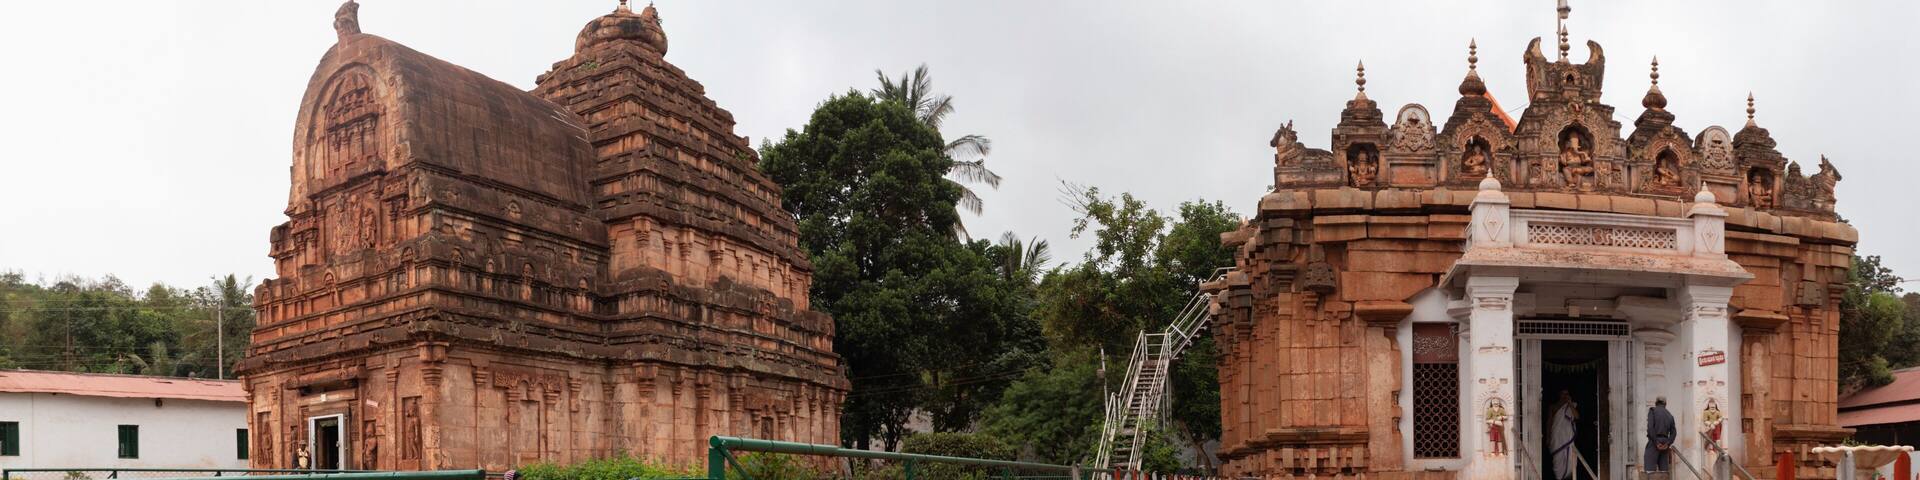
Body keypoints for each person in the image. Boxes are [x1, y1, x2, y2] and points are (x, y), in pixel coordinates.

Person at [1549, 389, 1579, 480]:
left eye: (1567, 394)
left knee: (1571, 459)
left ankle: (1570, 477)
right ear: (1559, 395)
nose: (1565, 396)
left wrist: (1569, 403)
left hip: (1567, 436)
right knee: (1557, 461)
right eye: (1563, 394)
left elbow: (1577, 416)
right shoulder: (1553, 407)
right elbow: (1549, 422)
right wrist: (1547, 437)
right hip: (1556, 437)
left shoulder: (1570, 406)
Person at [1645, 397, 1677, 480]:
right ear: (1665, 404)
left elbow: (1650, 428)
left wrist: (1656, 442)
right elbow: (1674, 432)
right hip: (1665, 444)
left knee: (1649, 471)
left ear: (1656, 403)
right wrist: (1667, 443)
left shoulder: (1652, 411)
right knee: (1664, 472)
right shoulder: (1669, 415)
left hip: (1654, 442)